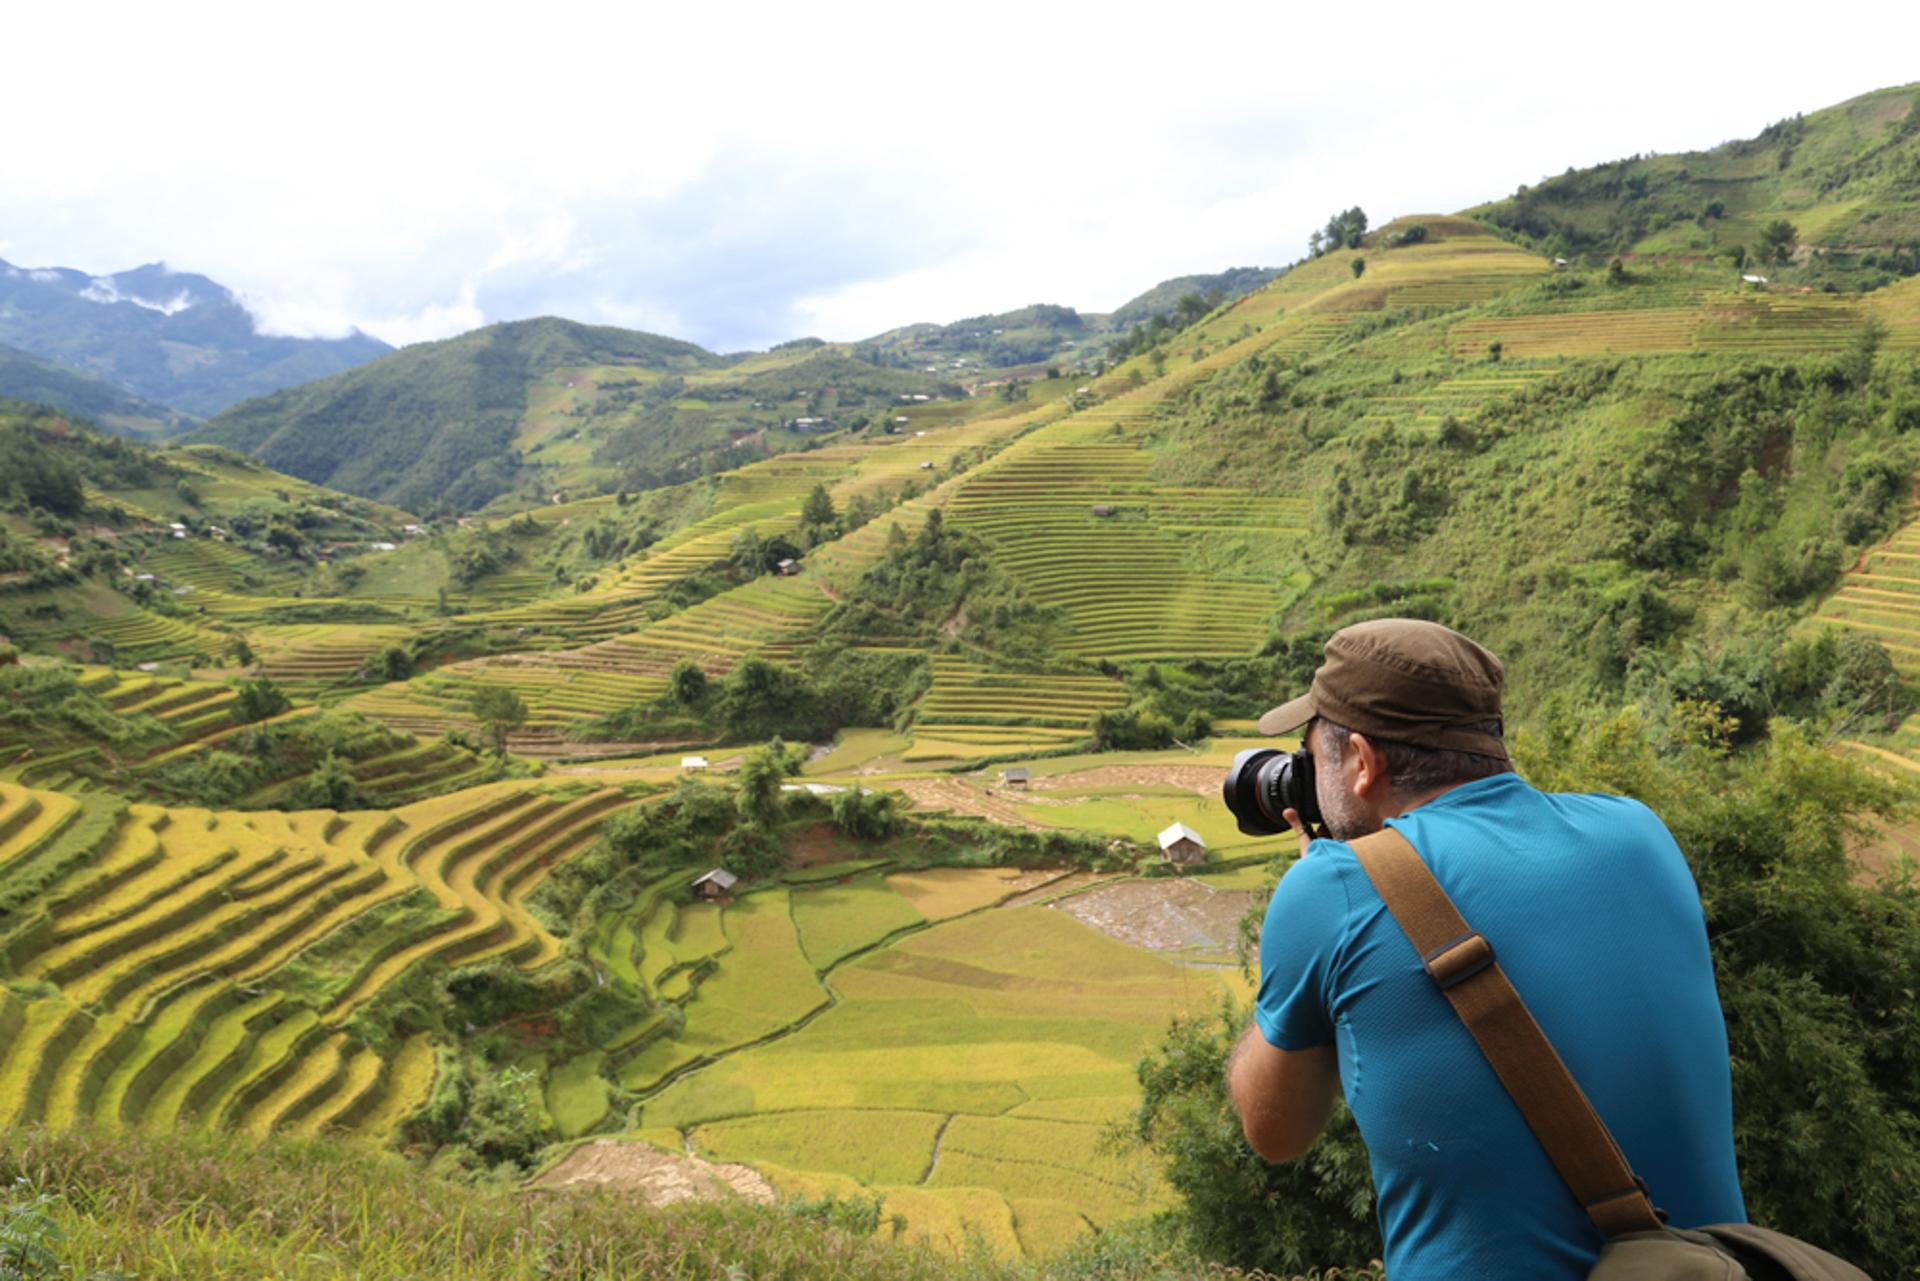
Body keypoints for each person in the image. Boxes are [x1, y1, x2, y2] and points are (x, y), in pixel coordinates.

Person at [1226, 618, 1745, 1281]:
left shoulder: (1331, 890)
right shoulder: (1639, 829)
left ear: (1360, 759)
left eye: (1313, 755)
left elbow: (1275, 1132)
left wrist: (1320, 899)